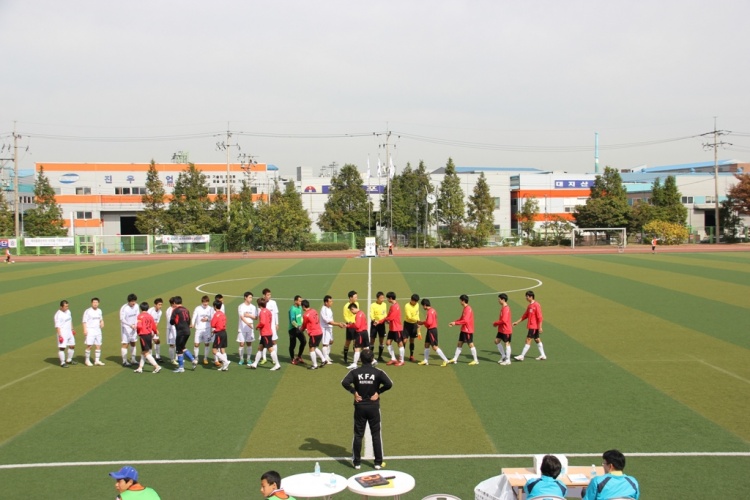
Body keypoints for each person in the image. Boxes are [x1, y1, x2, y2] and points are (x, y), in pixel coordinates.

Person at [341, 349, 393, 470]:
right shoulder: (378, 372)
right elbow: (389, 384)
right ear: (372, 359)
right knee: (376, 434)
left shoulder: (355, 372)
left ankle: (357, 462)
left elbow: (344, 382)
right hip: (373, 406)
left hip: (360, 407)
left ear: (360, 359)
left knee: (358, 434)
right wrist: (378, 392)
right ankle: (378, 463)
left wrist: (354, 392)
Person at [249, 297, 281, 370]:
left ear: (259, 305)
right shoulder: (268, 311)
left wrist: (257, 326)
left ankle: (277, 364)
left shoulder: (262, 312)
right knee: (260, 348)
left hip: (265, 333)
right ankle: (255, 363)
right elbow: (269, 320)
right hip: (268, 332)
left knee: (270, 349)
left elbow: (262, 322)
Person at [513, 290, 546, 361]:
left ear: (531, 297)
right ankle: (543, 355)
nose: (526, 298)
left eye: (527, 297)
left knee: (528, 339)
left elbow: (540, 317)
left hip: (534, 326)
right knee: (537, 339)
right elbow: (525, 315)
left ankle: (522, 356)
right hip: (532, 326)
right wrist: (517, 322)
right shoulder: (529, 306)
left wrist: (540, 327)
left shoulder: (536, 305)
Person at [416, 298, 450, 366]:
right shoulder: (433, 310)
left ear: (425, 305)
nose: (423, 307)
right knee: (426, 345)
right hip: (431, 330)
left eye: (423, 306)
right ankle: (426, 360)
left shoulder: (429, 312)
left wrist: (421, 323)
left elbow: (429, 322)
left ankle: (446, 360)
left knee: (434, 347)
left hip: (432, 330)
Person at [447, 294, 479, 365]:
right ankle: (455, 359)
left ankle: (476, 360)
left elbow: (465, 320)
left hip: (468, 330)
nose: (460, 302)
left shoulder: (468, 309)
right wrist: (454, 322)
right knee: (459, 343)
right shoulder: (465, 308)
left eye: (460, 300)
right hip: (463, 329)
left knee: (470, 344)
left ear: (463, 301)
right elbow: (461, 319)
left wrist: (455, 323)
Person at [169, 296, 197, 373]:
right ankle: (193, 360)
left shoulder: (175, 310)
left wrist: (175, 322)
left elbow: (171, 321)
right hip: (187, 331)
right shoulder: (186, 309)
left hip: (181, 332)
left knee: (178, 349)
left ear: (174, 303)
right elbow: (189, 320)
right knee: (182, 347)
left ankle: (181, 367)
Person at [378, 291, 405, 366]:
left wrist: (383, 321)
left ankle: (402, 360)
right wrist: (382, 320)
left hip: (397, 328)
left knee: (400, 344)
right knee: (388, 343)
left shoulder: (396, 306)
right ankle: (393, 358)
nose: (387, 300)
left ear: (390, 298)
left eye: (387, 298)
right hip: (392, 328)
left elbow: (391, 317)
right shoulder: (392, 306)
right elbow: (388, 316)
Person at [300, 299, 327, 370]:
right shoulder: (314, 310)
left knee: (311, 348)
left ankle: (315, 365)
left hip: (314, 333)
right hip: (319, 332)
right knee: (315, 347)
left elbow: (304, 325)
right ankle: (324, 360)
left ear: (303, 306)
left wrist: (301, 330)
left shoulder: (305, 315)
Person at [134, 302, 161, 374]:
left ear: (141, 308)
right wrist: (155, 332)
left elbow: (139, 326)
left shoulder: (140, 316)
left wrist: (136, 329)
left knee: (146, 352)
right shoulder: (150, 316)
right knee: (143, 352)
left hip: (143, 335)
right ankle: (140, 368)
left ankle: (156, 366)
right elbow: (154, 326)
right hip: (149, 335)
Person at [345, 302, 370, 369]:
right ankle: (372, 361)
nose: (351, 312)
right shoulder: (362, 313)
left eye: (351, 310)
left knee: (357, 348)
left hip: (360, 333)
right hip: (365, 332)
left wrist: (349, 325)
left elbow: (357, 325)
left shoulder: (358, 315)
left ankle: (355, 364)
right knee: (365, 348)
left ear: (353, 309)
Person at [82, 297, 105, 366]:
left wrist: (102, 322)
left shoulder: (99, 311)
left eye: (96, 302)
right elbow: (84, 321)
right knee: (89, 345)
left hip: (98, 330)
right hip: (90, 330)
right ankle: (87, 360)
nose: (95, 304)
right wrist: (85, 330)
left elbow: (101, 319)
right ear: (91, 303)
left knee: (98, 345)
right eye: (94, 302)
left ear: (98, 303)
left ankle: (97, 360)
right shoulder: (88, 311)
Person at [191, 295, 214, 365]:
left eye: (206, 302)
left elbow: (213, 319)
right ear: (202, 302)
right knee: (196, 344)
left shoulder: (211, 309)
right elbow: (194, 316)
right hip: (198, 329)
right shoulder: (198, 308)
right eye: (204, 302)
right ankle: (196, 358)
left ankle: (205, 358)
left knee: (207, 344)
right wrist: (192, 323)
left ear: (208, 302)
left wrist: (207, 319)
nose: (205, 303)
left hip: (207, 329)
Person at [320, 295, 342, 364]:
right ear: (326, 302)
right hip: (325, 328)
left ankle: (327, 355)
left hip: (330, 328)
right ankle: (325, 359)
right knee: (325, 344)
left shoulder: (329, 308)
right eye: (330, 301)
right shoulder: (323, 310)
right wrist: (338, 324)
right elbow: (328, 321)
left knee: (331, 342)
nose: (332, 302)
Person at [237, 291, 257, 366]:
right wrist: (247, 323)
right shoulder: (241, 306)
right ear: (245, 297)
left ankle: (248, 359)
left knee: (249, 343)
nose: (251, 299)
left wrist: (248, 315)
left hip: (250, 328)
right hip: (242, 328)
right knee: (242, 343)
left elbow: (256, 317)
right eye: (249, 297)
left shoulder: (253, 307)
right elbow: (241, 316)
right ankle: (241, 359)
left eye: (251, 297)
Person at [55, 300, 76, 368]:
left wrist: (72, 329)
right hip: (63, 333)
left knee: (72, 346)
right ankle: (62, 362)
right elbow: (57, 326)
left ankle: (69, 360)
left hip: (69, 332)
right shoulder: (58, 315)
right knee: (62, 348)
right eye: (66, 306)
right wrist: (60, 336)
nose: (67, 307)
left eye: (68, 306)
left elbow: (70, 320)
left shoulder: (68, 311)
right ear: (61, 307)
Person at [210, 299, 231, 371]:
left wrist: (215, 328)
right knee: (222, 349)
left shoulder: (216, 315)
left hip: (219, 333)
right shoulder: (223, 314)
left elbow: (212, 324)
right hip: (224, 332)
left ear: (215, 306)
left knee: (214, 350)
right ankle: (225, 366)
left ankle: (226, 362)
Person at [119, 293, 139, 366]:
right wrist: (130, 325)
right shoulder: (124, 308)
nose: (134, 303)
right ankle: (124, 361)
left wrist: (136, 324)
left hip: (134, 327)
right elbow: (122, 319)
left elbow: (137, 316)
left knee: (133, 342)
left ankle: (133, 359)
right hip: (126, 328)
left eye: (135, 301)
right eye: (132, 301)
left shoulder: (136, 306)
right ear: (129, 301)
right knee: (125, 344)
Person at [261, 288, 280, 364]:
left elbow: (276, 313)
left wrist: (277, 323)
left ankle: (274, 358)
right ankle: (264, 358)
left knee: (274, 341)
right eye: (268, 295)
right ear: (264, 295)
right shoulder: (261, 303)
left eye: (270, 294)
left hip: (272, 326)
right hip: (264, 327)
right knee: (263, 342)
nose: (269, 296)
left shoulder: (273, 303)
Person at [493, 293, 512, 365]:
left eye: (499, 299)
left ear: (503, 300)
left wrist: (496, 323)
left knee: (507, 343)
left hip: (506, 329)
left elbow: (504, 320)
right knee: (496, 341)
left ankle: (508, 360)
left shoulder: (506, 308)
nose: (498, 301)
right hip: (501, 329)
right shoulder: (503, 308)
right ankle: (503, 356)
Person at [288, 295, 307, 365]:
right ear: (295, 301)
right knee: (293, 345)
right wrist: (298, 326)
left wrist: (304, 325)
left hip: (299, 329)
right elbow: (292, 321)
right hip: (292, 329)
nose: (301, 302)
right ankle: (292, 358)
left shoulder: (300, 308)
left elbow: (301, 317)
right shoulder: (292, 310)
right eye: (300, 301)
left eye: (301, 301)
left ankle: (299, 356)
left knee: (304, 341)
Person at [369, 291, 387, 362]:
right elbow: (371, 314)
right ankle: (371, 357)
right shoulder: (373, 305)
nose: (382, 299)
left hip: (382, 324)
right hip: (374, 324)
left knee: (381, 339)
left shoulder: (384, 304)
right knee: (372, 339)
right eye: (381, 298)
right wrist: (374, 320)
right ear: (377, 298)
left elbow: (385, 313)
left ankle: (380, 356)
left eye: (383, 297)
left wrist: (385, 319)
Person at [342, 290, 359, 364]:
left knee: (356, 342)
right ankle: (345, 357)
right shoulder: (346, 306)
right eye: (355, 297)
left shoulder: (357, 303)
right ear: (350, 298)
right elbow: (345, 316)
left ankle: (356, 358)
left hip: (356, 325)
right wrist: (349, 322)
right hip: (350, 325)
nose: (356, 298)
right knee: (348, 341)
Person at [403, 293, 421, 362]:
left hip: (414, 325)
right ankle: (402, 355)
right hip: (407, 324)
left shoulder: (417, 305)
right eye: (415, 301)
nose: (416, 303)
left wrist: (418, 322)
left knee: (412, 340)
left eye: (417, 301)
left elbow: (417, 313)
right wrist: (418, 321)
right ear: (411, 300)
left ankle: (411, 356)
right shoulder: (407, 306)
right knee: (404, 340)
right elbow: (409, 317)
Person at [164, 297, 177, 365]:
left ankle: (177, 358)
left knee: (178, 344)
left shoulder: (177, 309)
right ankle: (172, 359)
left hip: (177, 329)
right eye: (175, 303)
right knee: (172, 344)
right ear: (173, 303)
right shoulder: (169, 310)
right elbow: (170, 321)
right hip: (171, 329)